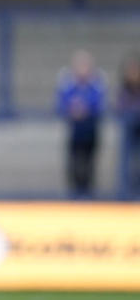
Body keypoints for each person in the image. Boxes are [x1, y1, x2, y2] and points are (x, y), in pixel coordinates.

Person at [55, 49, 106, 199]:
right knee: (74, 163)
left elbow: (99, 104)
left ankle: (88, 194)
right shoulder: (68, 84)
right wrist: (72, 109)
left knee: (90, 163)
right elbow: (60, 104)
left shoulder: (96, 83)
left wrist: (86, 109)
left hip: (91, 129)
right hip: (75, 131)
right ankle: (75, 195)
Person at [116, 52, 140, 198]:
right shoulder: (124, 89)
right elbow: (120, 107)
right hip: (129, 128)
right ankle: (125, 193)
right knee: (125, 160)